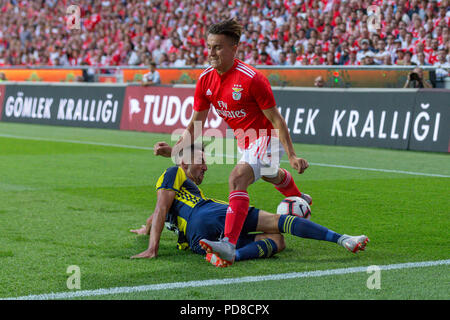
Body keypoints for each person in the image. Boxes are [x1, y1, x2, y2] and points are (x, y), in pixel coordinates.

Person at [154, 19, 310, 267]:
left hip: (265, 137)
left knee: (237, 178)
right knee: (269, 174)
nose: (212, 53)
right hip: (244, 140)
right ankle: (299, 199)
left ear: (234, 48)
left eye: (218, 47)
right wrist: (176, 151)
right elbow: (196, 124)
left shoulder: (252, 79)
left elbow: (276, 119)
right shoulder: (205, 79)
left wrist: (291, 155)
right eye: (210, 46)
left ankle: (228, 242)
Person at [131, 144, 369, 267]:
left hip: (195, 240)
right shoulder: (175, 172)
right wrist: (153, 247)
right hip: (209, 214)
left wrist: (146, 228)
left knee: (277, 241)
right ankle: (343, 239)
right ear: (184, 162)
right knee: (279, 223)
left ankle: (234, 255)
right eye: (202, 161)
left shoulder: (179, 189)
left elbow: (158, 212)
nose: (205, 167)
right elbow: (162, 207)